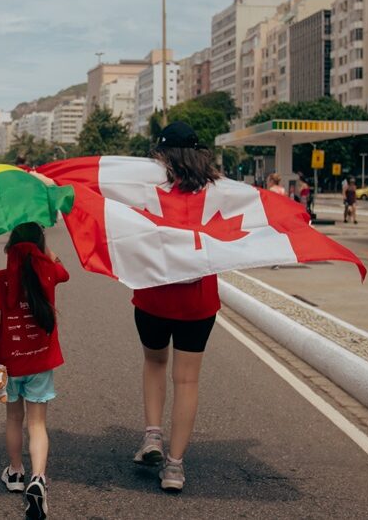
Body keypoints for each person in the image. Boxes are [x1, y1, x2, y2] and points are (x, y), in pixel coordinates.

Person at [130, 122, 221, 493]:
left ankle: (153, 436)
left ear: (162, 154)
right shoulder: (221, 192)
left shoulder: (147, 190)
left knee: (154, 363)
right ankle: (175, 467)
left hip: (153, 294)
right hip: (198, 301)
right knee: (187, 380)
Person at [0, 223, 68, 519]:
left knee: (14, 420)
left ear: (8, 250)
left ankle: (16, 472)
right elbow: (63, 271)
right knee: (37, 424)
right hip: (40, 364)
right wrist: (47, 253)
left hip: (9, 365)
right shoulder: (48, 275)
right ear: (40, 249)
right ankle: (38, 478)